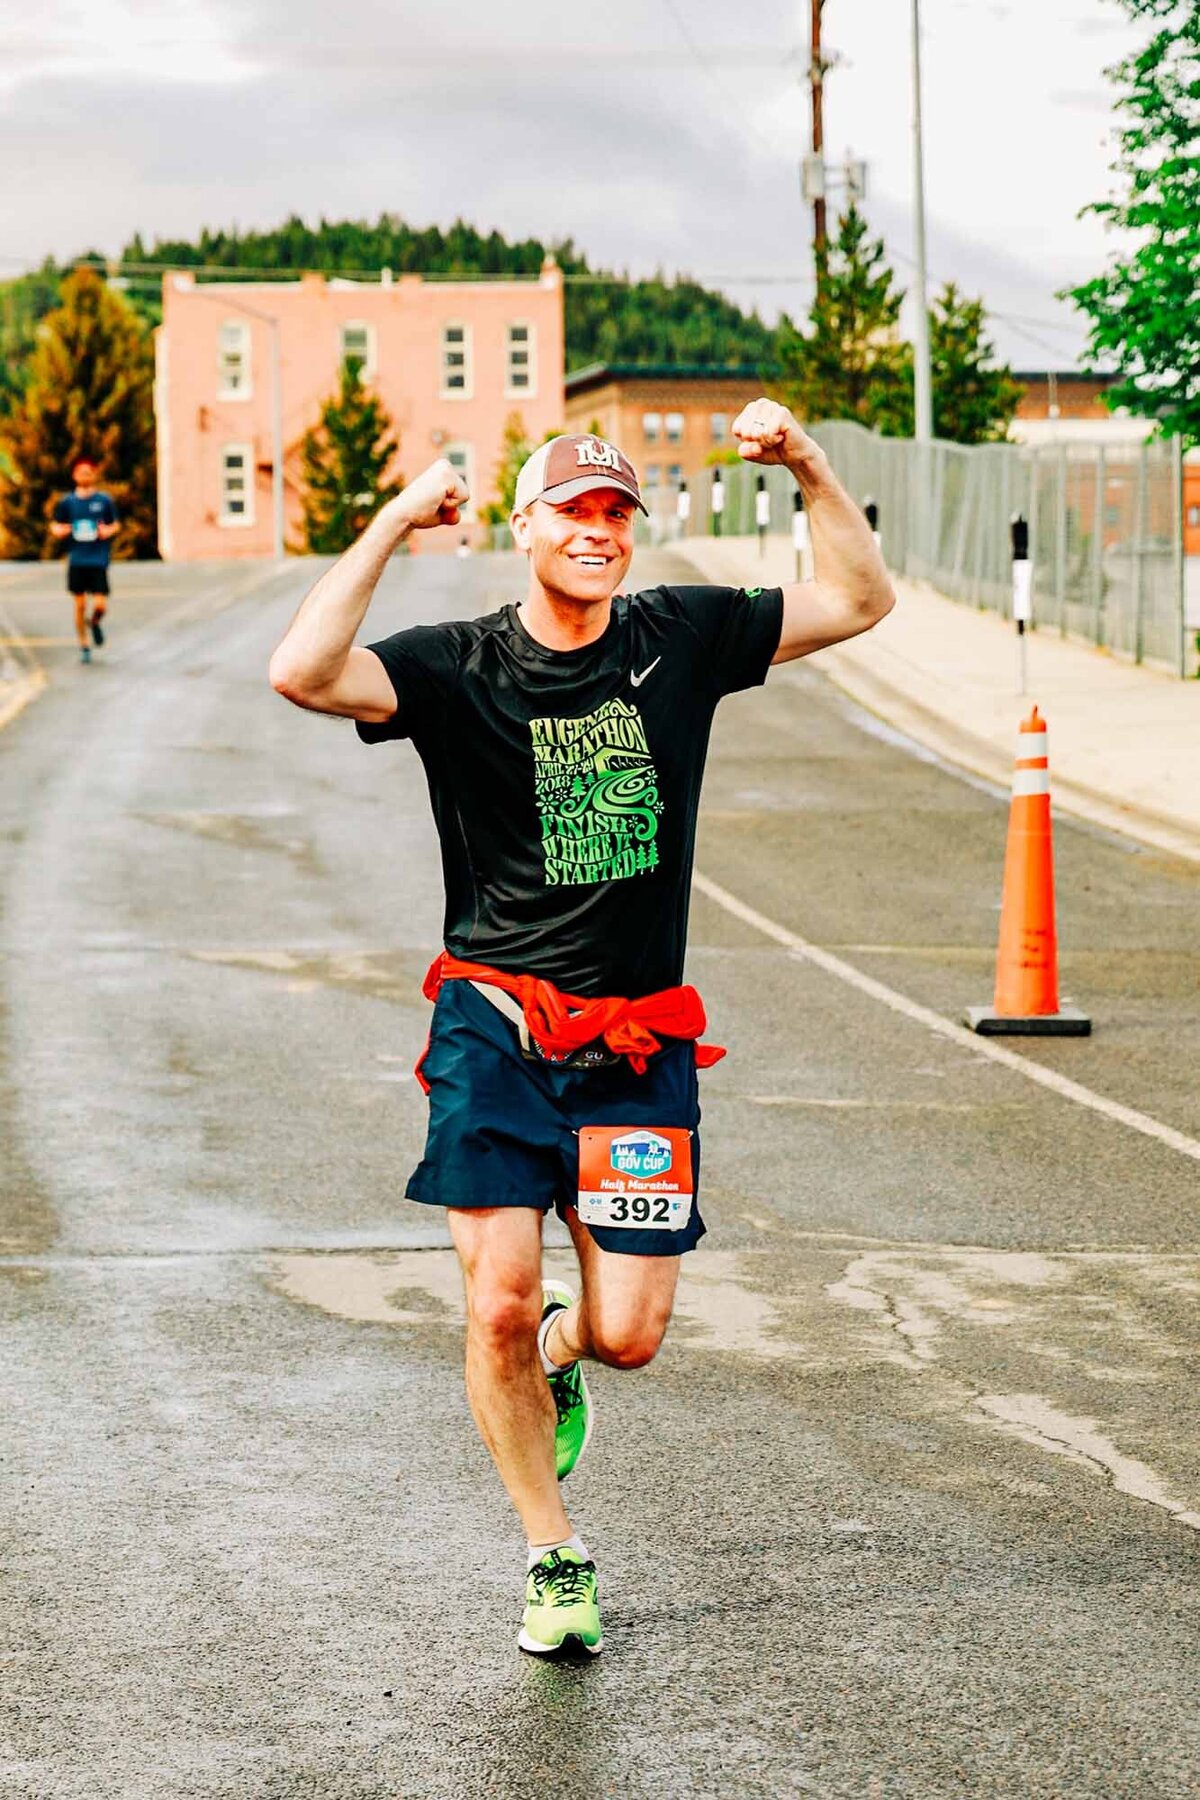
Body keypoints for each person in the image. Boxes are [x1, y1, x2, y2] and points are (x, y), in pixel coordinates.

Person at [269, 400, 894, 1657]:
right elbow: (304, 671)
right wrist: (396, 517)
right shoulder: (460, 664)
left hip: (639, 1051)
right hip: (494, 1031)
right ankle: (554, 1556)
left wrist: (807, 463)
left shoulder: (687, 634)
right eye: (575, 510)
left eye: (618, 515)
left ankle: (564, 1348)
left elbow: (859, 599)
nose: (599, 533)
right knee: (493, 1301)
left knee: (629, 1338)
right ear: (527, 526)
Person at [50, 457, 120, 664]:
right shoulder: (67, 503)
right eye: (81, 473)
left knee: (100, 605)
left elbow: (115, 524)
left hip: (97, 559)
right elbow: (55, 525)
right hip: (77, 559)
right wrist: (60, 531)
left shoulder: (104, 501)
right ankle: (84, 644)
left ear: (94, 475)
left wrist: (108, 531)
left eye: (88, 473)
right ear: (74, 476)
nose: (85, 476)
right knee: (79, 604)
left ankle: (94, 622)